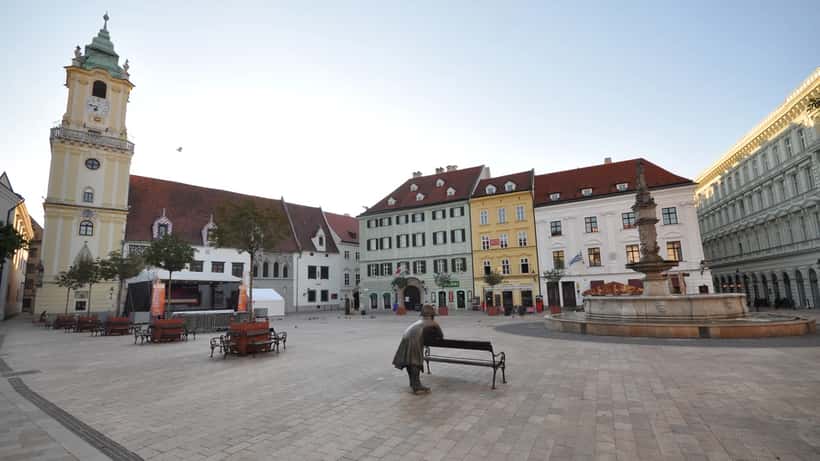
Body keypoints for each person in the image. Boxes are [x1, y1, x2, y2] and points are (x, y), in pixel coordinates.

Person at [392, 304, 443, 394]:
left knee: (409, 361)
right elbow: (440, 336)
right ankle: (417, 386)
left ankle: (413, 382)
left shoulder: (419, 322)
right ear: (432, 315)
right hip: (414, 341)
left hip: (406, 338)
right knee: (415, 362)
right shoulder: (433, 323)